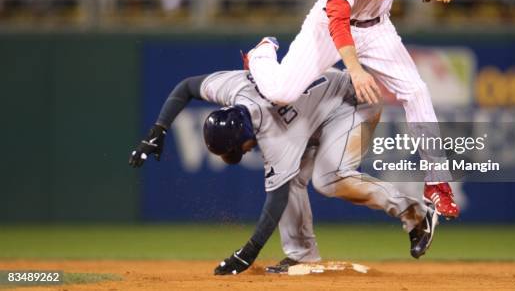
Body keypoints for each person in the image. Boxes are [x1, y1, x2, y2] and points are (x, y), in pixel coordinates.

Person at [246, 0, 476, 219]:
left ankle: (437, 183)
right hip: (329, 27)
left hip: (377, 29)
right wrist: (354, 68)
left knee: (417, 91)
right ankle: (262, 54)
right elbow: (338, 20)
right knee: (281, 92)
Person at [128, 67, 438, 275]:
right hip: (317, 110)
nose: (246, 151)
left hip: (353, 101)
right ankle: (301, 256)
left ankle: (416, 214)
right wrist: (157, 131)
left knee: (329, 179)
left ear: (245, 138)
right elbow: (186, 88)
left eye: (240, 148)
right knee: (294, 182)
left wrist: (249, 252)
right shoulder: (233, 89)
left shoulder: (276, 136)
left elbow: (275, 200)